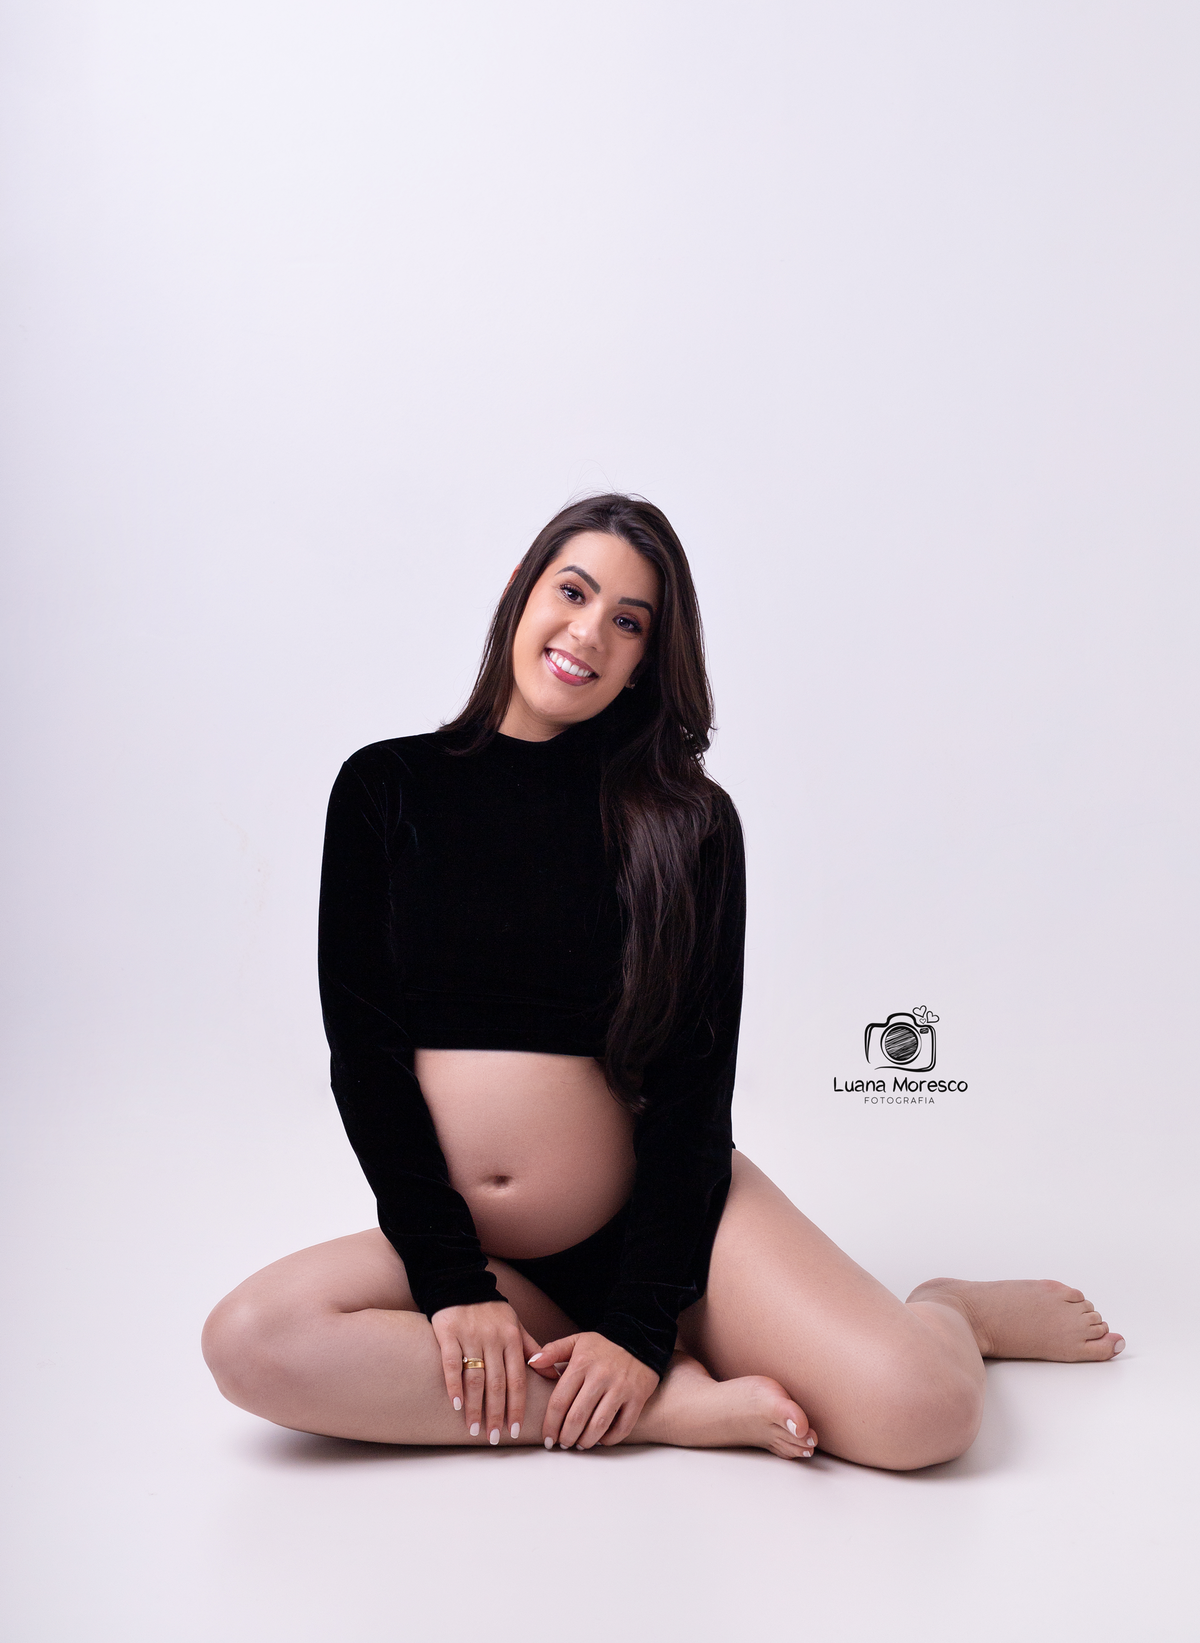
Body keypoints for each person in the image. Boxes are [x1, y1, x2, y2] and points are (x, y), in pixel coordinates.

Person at [202, 493, 1123, 1468]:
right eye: (573, 591)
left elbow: (694, 1086)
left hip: (671, 1235)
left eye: (629, 620)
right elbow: (367, 1058)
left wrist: (640, 1328)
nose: (589, 632)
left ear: (647, 657)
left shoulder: (685, 822)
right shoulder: (385, 788)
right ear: (519, 590)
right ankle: (659, 1412)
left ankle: (949, 1311)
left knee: (923, 1415)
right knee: (253, 1339)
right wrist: (453, 1282)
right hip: (486, 1262)